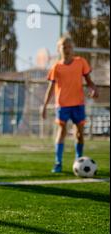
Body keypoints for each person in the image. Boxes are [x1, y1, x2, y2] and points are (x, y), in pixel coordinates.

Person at [41, 36, 99, 173]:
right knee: (62, 131)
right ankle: (58, 162)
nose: (66, 49)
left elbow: (89, 81)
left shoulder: (81, 62)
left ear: (73, 49)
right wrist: (44, 106)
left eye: (69, 47)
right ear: (59, 49)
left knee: (79, 133)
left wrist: (93, 89)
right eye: (63, 47)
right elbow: (50, 88)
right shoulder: (56, 67)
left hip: (78, 104)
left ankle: (79, 160)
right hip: (62, 105)